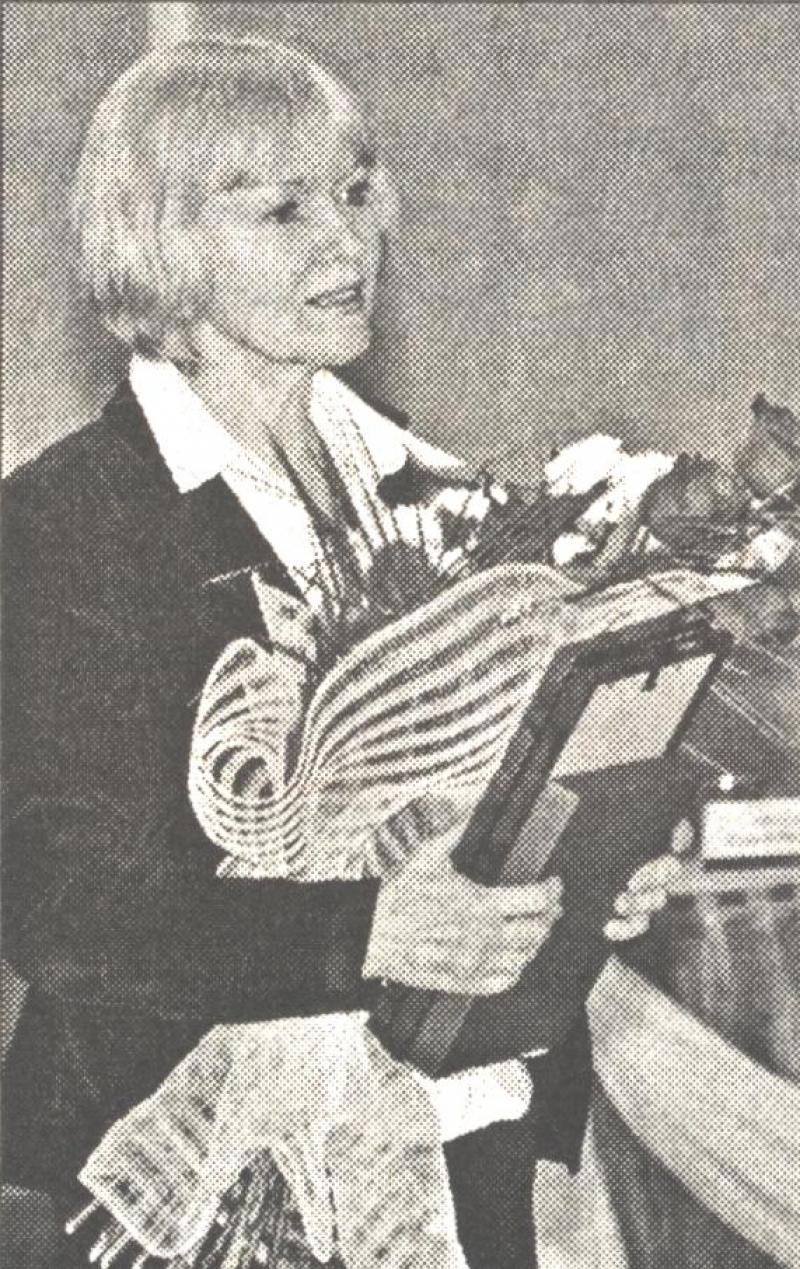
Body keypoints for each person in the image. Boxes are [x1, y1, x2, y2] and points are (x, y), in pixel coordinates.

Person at [1, 37, 681, 1268]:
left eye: (356, 192)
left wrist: (580, 879)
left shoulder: (432, 491)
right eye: (283, 209)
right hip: (184, 1185)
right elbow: (61, 907)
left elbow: (477, 802)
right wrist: (364, 930)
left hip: (460, 1133)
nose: (346, 241)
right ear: (161, 241)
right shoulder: (67, 522)